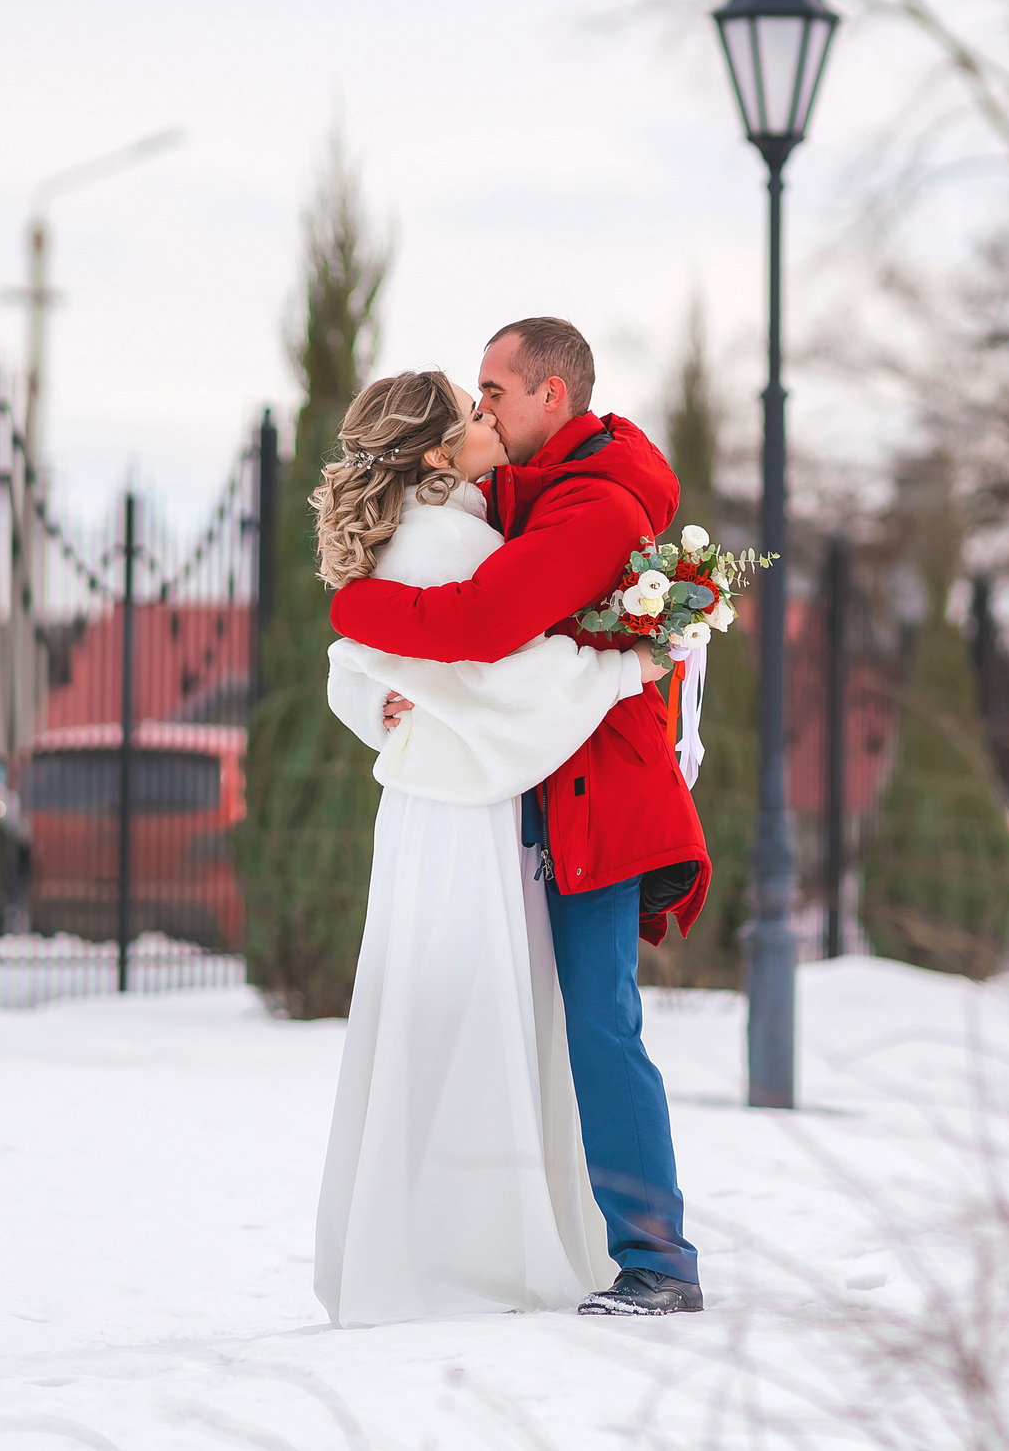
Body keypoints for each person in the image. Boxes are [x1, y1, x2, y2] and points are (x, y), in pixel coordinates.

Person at [333, 316, 711, 1317]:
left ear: (554, 396)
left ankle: (658, 1261)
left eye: (495, 390)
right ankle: (543, 1235)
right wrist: (382, 687)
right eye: (476, 397)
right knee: (527, 1022)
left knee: (597, 1019)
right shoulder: (512, 490)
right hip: (527, 789)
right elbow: (425, 602)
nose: (483, 404)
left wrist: (353, 611)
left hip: (595, 793)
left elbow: (481, 627)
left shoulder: (590, 506)